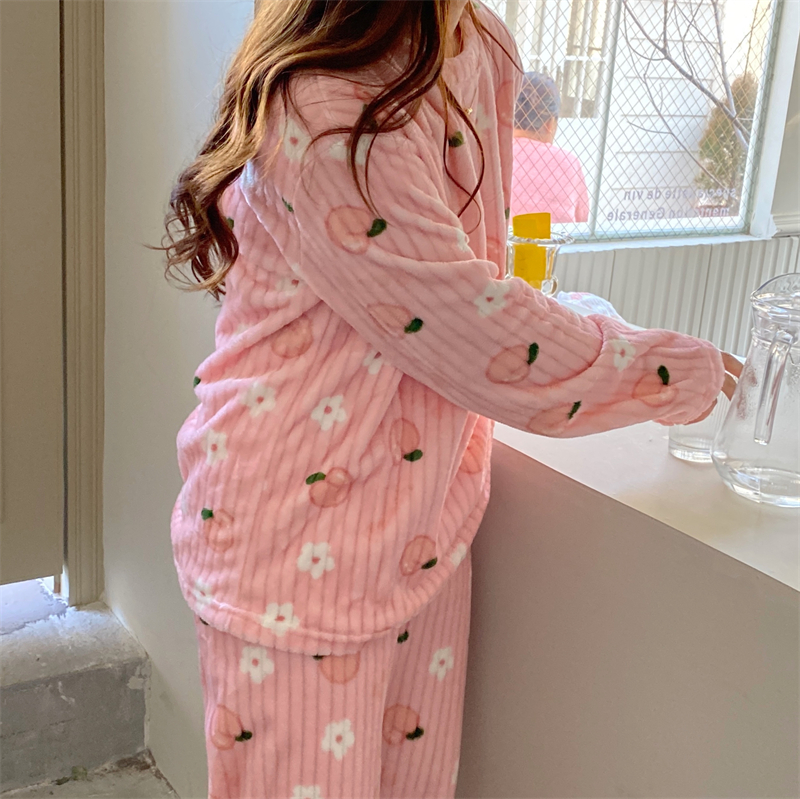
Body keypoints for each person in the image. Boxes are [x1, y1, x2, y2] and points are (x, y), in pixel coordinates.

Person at [162, 2, 741, 797]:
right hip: (291, 557)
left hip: (421, 530)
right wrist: (674, 373)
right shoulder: (325, 101)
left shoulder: (476, 39)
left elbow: (474, 270)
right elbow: (468, 322)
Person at [511, 72, 590, 223]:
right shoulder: (569, 163)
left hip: (504, 238)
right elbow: (582, 219)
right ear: (550, 124)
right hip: (553, 238)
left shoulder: (495, 157)